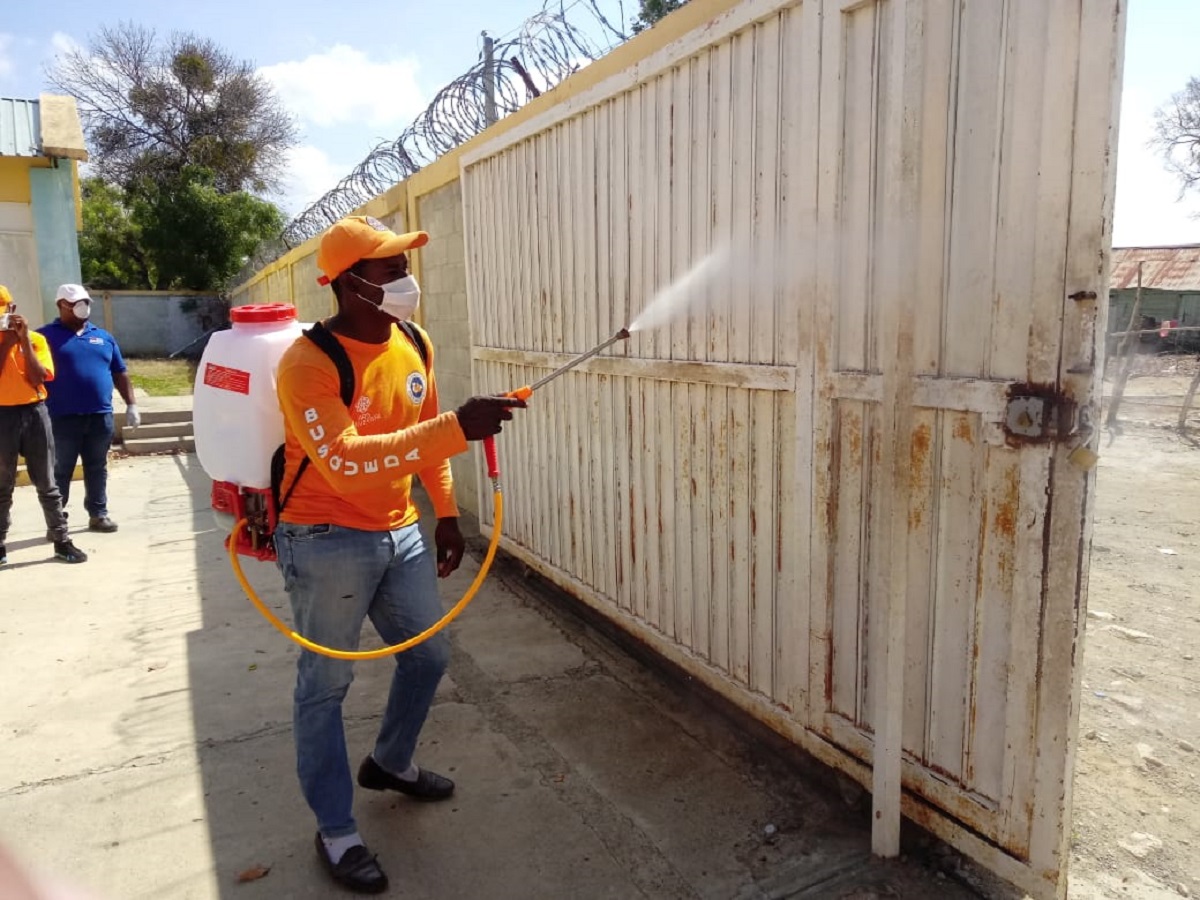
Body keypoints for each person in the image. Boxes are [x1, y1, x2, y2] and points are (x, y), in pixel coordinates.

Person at [273, 216, 523, 894]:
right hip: (325, 538)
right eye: (389, 269)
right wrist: (452, 430)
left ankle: (389, 761)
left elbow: (426, 435)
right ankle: (336, 829)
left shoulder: (413, 338)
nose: (407, 281)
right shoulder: (308, 364)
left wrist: (443, 513)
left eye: (404, 265)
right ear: (350, 283)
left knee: (429, 654)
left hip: (400, 527)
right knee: (323, 686)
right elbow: (345, 464)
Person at [38, 284, 139, 533]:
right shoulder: (44, 337)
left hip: (99, 415)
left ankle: (98, 514)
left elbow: (120, 373)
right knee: (61, 470)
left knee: (97, 467)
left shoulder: (103, 337)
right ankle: (57, 522)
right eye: (75, 303)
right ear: (61, 305)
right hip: (62, 417)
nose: (82, 307)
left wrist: (132, 405)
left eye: (85, 301)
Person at [0, 285, 87, 565]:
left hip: (34, 412)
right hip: (2, 415)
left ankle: (61, 540)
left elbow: (39, 378)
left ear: (11, 309)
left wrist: (23, 341)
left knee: (47, 482)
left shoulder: (36, 339)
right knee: (3, 484)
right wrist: (7, 343)